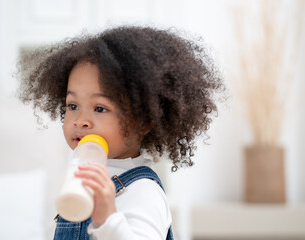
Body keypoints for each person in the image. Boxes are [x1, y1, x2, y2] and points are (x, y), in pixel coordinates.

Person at [17, 26, 225, 240]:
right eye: (72, 106)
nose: (80, 121)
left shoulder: (143, 192)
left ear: (143, 122)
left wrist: (108, 219)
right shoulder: (78, 180)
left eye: (100, 108)